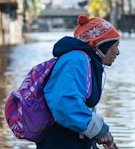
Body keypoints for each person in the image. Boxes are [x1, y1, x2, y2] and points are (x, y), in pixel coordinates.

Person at [37, 14, 120, 149]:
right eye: (115, 45)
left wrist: (98, 136)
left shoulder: (87, 62)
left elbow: (81, 106)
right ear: (101, 45)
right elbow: (64, 102)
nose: (117, 52)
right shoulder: (75, 60)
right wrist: (98, 130)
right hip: (60, 141)